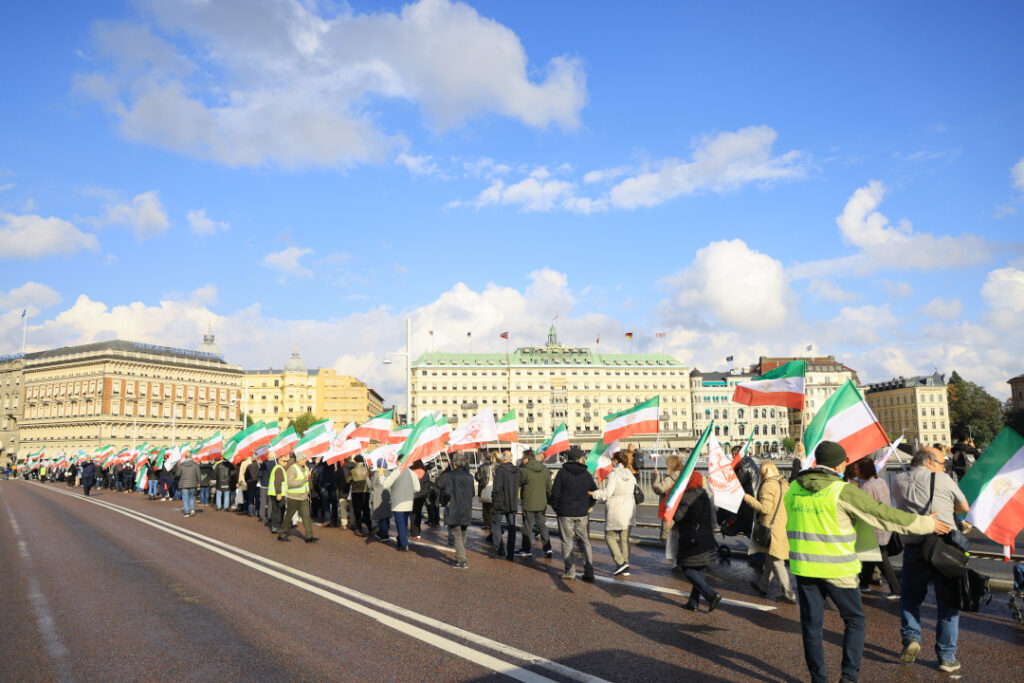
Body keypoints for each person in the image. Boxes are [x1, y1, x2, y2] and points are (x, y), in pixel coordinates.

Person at [785, 441, 951, 683]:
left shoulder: (793, 489)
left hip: (803, 567)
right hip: (837, 569)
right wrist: (925, 523)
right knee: (854, 621)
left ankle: (818, 679)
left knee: (811, 627)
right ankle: (848, 678)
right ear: (840, 463)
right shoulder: (842, 490)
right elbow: (883, 515)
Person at [891, 447, 970, 673]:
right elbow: (964, 507)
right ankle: (946, 656)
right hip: (944, 548)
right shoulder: (942, 478)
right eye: (941, 462)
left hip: (914, 547)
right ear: (928, 462)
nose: (943, 466)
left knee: (910, 597)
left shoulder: (897, 480)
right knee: (948, 603)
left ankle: (911, 638)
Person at [744, 460, 796, 603]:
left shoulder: (767, 486)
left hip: (771, 529)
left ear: (764, 472)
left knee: (776, 562)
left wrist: (749, 499)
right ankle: (763, 586)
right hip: (782, 526)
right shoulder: (785, 484)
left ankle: (789, 594)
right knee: (770, 558)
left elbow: (765, 509)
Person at [850, 458, 899, 599]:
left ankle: (897, 590)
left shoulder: (867, 488)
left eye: (857, 469)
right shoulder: (880, 481)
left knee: (881, 558)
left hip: (874, 529)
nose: (855, 471)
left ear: (863, 471)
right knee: (872, 557)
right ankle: (864, 583)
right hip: (884, 525)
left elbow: (861, 508)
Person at [674, 471, 722, 612]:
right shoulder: (704, 495)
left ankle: (711, 594)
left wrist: (674, 503)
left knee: (687, 568)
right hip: (706, 537)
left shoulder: (687, 496)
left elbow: (677, 517)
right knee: (700, 569)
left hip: (692, 538)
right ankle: (693, 603)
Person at [550, 447, 597, 581]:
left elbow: (554, 495)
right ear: (580, 458)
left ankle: (570, 571)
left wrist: (557, 509)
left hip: (565, 512)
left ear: (568, 459)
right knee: (584, 542)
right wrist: (588, 506)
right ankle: (589, 571)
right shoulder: (586, 474)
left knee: (567, 542)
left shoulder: (562, 473)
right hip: (582, 512)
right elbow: (594, 493)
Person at [591, 451, 637, 576]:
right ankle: (625, 564)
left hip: (617, 509)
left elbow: (607, 493)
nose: (611, 462)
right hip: (629, 508)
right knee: (624, 539)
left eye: (612, 459)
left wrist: (593, 494)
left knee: (610, 536)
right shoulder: (630, 475)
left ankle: (621, 563)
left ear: (616, 461)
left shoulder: (613, 474)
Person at [441, 451, 475, 569]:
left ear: (455, 463)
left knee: (456, 534)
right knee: (463, 533)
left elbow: (447, 492)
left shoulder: (452, 475)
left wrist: (444, 502)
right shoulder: (470, 476)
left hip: (455, 508)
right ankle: (461, 555)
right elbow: (472, 493)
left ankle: (461, 559)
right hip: (466, 508)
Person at [518, 449, 553, 559]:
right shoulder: (545, 469)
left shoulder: (525, 470)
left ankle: (526, 549)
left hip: (528, 502)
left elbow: (520, 483)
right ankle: (548, 548)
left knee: (527, 527)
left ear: (527, 458)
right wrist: (549, 499)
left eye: (523, 458)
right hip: (542, 502)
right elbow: (549, 487)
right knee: (542, 525)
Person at [278, 451, 317, 543]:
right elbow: (290, 482)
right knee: (288, 517)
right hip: (293, 497)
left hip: (303, 497)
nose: (305, 460)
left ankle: (309, 537)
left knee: (306, 517)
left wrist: (307, 494)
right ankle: (282, 534)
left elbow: (306, 484)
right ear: (299, 460)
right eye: (304, 459)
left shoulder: (304, 468)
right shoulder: (292, 469)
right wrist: (303, 479)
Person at [384, 459, 420, 551]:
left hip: (398, 502)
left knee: (400, 524)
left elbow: (386, 484)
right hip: (408, 502)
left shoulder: (396, 472)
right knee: (403, 523)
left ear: (398, 462)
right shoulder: (412, 473)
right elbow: (417, 488)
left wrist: (381, 476)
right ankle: (401, 540)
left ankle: (405, 544)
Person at [490, 449, 520, 560]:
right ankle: (510, 552)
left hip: (500, 502)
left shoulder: (500, 471)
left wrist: (494, 500)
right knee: (511, 527)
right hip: (512, 502)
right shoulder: (517, 470)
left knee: (495, 524)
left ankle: (500, 549)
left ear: (503, 459)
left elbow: (496, 488)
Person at [653, 454, 684, 543]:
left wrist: (655, 477)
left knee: (666, 537)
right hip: (681, 509)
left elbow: (659, 489)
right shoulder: (683, 475)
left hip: (669, 509)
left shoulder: (670, 478)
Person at [346, 455, 371, 535]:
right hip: (365, 491)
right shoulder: (367, 470)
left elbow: (348, 480)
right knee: (366, 510)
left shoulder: (353, 470)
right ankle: (370, 527)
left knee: (357, 511)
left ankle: (358, 528)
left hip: (356, 492)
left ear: (356, 462)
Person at [369, 459, 392, 540]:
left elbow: (371, 486)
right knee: (387, 515)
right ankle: (384, 531)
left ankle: (384, 534)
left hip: (378, 496)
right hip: (388, 496)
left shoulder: (376, 474)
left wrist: (367, 478)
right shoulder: (390, 473)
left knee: (381, 516)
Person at [267, 453, 289, 534]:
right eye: (284, 461)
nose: (286, 462)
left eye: (287, 461)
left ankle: (275, 526)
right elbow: (278, 482)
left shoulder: (279, 468)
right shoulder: (279, 469)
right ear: (279, 461)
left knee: (276, 509)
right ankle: (276, 526)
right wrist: (279, 493)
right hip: (278, 494)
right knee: (278, 510)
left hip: (274, 492)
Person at [175, 451, 201, 518]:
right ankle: (192, 509)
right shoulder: (195, 464)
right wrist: (199, 482)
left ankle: (186, 512)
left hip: (183, 484)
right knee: (192, 497)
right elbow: (198, 474)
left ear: (185, 457)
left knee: (185, 498)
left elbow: (177, 474)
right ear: (191, 457)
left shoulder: (182, 464)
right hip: (193, 483)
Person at [476, 453, 495, 543]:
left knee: (485, 508)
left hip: (484, 489)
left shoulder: (482, 467)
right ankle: (493, 525)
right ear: (491, 459)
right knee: (493, 508)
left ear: (485, 459)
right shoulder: (496, 466)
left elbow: (478, 477)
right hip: (494, 489)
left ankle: (488, 524)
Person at [316, 459, 339, 527]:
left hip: (324, 483)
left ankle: (328, 519)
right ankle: (335, 519)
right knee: (334, 501)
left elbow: (319, 471)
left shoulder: (323, 460)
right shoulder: (335, 459)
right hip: (333, 483)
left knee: (325, 502)